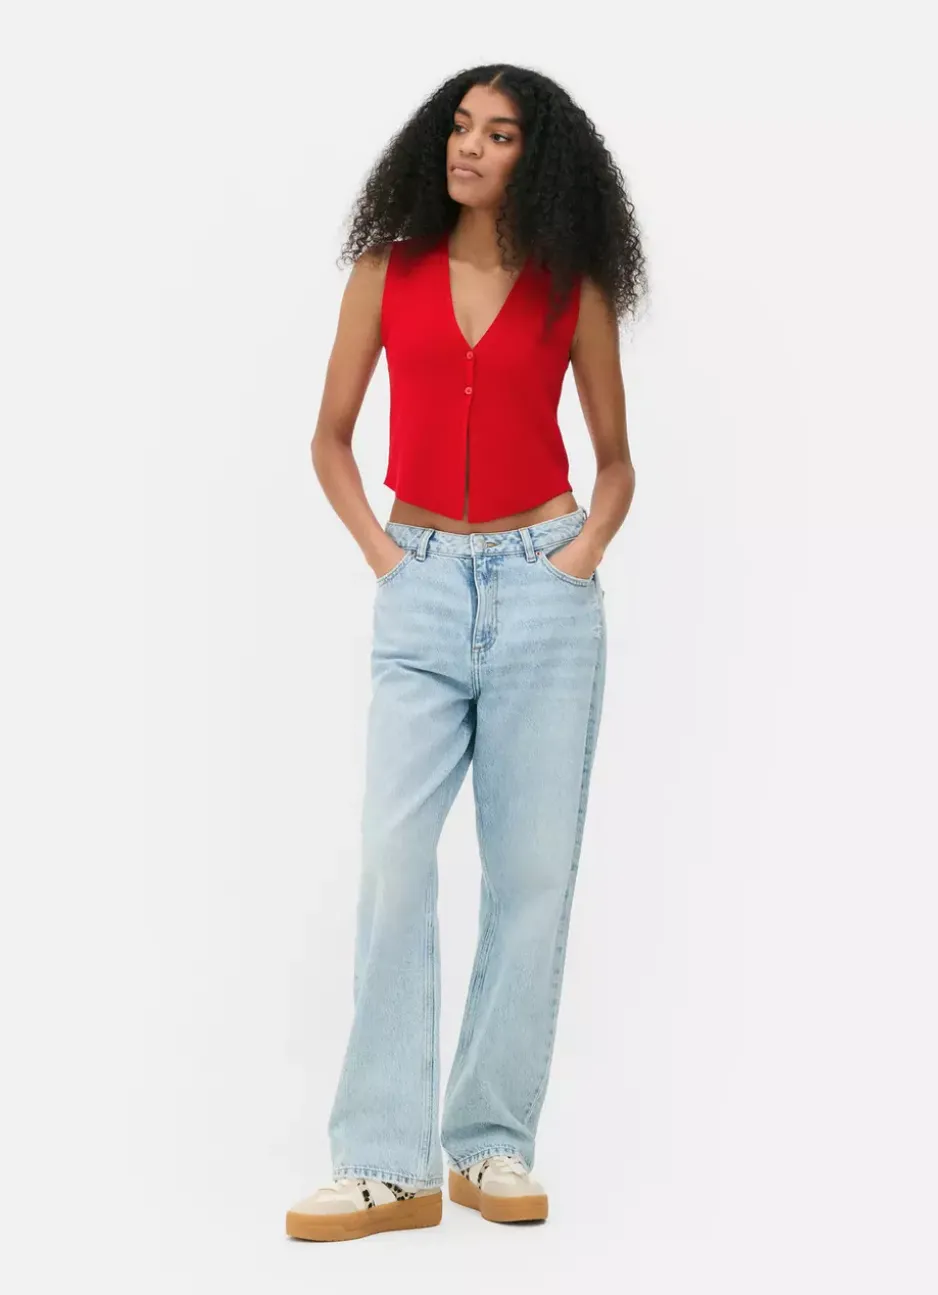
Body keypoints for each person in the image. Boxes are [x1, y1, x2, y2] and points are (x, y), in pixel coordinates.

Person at [286, 63, 646, 1243]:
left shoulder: (571, 286)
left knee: (531, 877)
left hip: (546, 592)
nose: (468, 146)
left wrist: (579, 555)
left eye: (497, 134)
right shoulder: (386, 270)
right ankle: (383, 1162)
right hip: (422, 585)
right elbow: (330, 438)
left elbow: (615, 461)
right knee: (394, 863)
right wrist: (388, 559)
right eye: (458, 126)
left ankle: (492, 1142)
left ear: (537, 160)